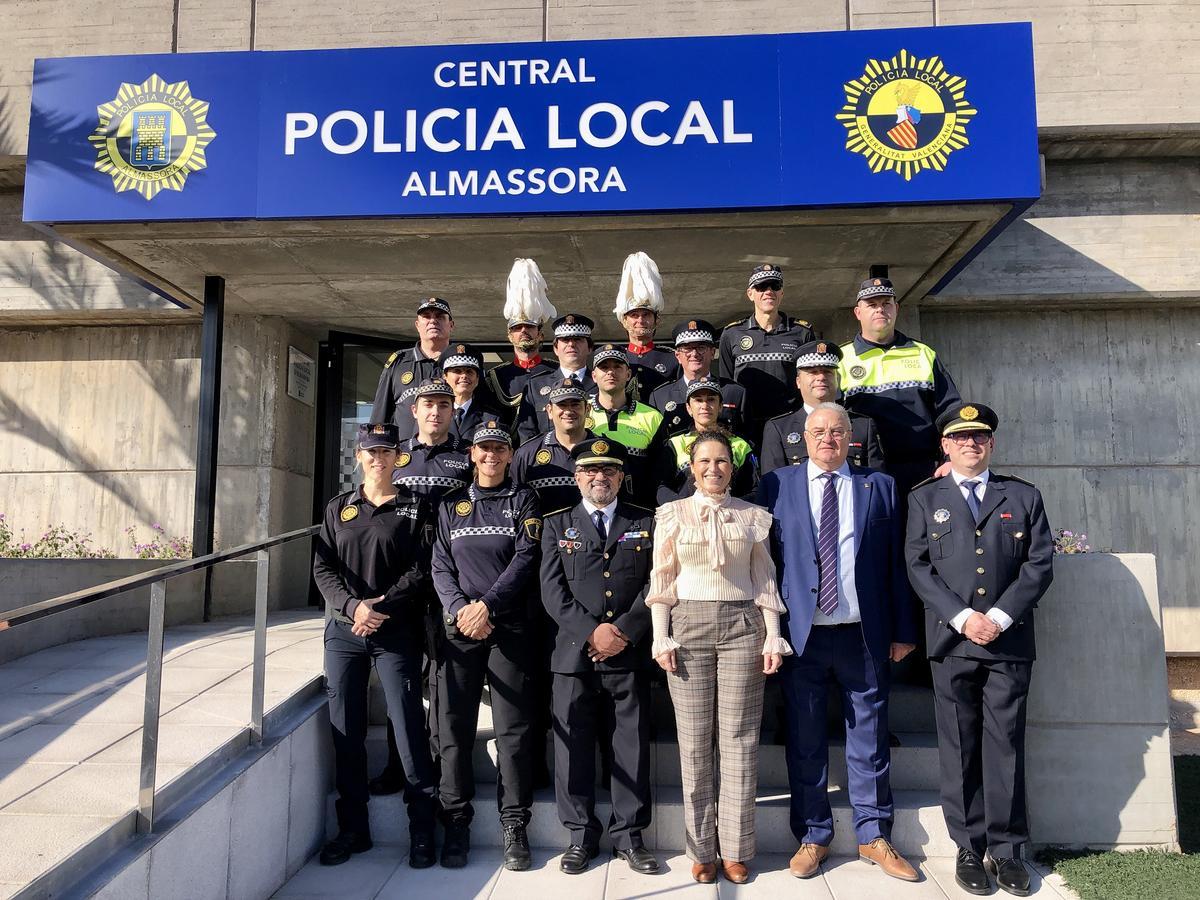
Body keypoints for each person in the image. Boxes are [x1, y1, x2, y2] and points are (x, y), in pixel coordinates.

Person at [758, 402, 919, 884]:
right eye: (818, 431)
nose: (828, 438)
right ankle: (813, 834)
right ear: (804, 438)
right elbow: (765, 563)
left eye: (837, 432)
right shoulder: (776, 485)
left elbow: (897, 564)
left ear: (851, 438)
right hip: (801, 636)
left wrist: (904, 630)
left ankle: (873, 833)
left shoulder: (880, 486)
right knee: (805, 739)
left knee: (869, 738)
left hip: (863, 634)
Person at [906, 403, 1053, 897]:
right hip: (953, 642)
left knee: (1005, 744)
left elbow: (1038, 564)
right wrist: (966, 617)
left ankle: (1008, 850)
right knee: (960, 746)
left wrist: (999, 617)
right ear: (945, 446)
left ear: (991, 444)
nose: (972, 443)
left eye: (980, 437)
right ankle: (969, 848)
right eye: (961, 437)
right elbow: (918, 566)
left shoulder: (1023, 495)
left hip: (1009, 641)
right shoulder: (925, 499)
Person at [647, 429, 790, 884]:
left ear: (733, 466)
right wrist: (660, 637)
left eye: (722, 461)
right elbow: (662, 580)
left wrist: (773, 636)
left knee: (739, 740)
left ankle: (735, 847)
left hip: (742, 628)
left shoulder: (753, 517)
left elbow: (765, 579)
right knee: (693, 743)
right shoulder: (671, 514)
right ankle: (701, 849)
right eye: (704, 461)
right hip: (687, 627)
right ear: (692, 467)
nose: (714, 469)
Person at [312, 423, 439, 869]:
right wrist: (352, 607)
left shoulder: (415, 507)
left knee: (407, 727)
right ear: (359, 458)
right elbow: (323, 568)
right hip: (345, 632)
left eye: (387, 452)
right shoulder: (338, 508)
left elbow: (424, 568)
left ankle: (423, 830)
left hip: (396, 630)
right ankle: (353, 831)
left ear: (397, 458)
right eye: (371, 452)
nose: (379, 459)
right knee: (346, 732)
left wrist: (381, 605)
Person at [540, 437, 658, 875]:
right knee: (572, 748)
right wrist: (593, 632)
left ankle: (629, 836)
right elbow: (552, 591)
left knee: (630, 747)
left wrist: (623, 631)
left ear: (621, 477)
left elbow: (656, 584)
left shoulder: (646, 520)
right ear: (577, 477)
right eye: (590, 470)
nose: (599, 477)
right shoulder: (556, 524)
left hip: (628, 654)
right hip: (573, 657)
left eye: (608, 470)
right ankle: (580, 836)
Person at [431, 420, 543, 871]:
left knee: (513, 733)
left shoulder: (524, 500)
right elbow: (440, 564)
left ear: (510, 454)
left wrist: (487, 608)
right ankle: (456, 822)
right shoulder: (450, 505)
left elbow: (525, 559)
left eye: (500, 448)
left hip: (509, 630)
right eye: (484, 449)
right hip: (460, 631)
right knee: (454, 730)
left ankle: (514, 825)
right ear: (473, 455)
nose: (492, 455)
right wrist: (461, 608)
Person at [369, 376, 472, 798]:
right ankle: (401, 764)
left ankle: (442, 768)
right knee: (404, 682)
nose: (435, 411)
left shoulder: (466, 457)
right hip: (404, 586)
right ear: (413, 410)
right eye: (428, 404)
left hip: (449, 585)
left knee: (443, 684)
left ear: (453, 411)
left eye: (444, 405)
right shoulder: (398, 458)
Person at [510, 376, 594, 789]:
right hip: (541, 576)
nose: (568, 410)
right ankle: (542, 761)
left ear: (585, 408)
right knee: (541, 671)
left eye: (575, 404)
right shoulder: (529, 455)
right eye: (561, 405)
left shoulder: (600, 451)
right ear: (549, 410)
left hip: (591, 579)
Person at [838, 277, 961, 504]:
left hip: (922, 470)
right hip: (862, 471)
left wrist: (951, 458)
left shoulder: (924, 354)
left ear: (896, 308)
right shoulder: (841, 359)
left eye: (886, 303)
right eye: (872, 304)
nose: (880, 310)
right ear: (858, 312)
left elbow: (951, 412)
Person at [718, 264, 816, 445]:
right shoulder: (732, 334)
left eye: (775, 286)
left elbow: (812, 380)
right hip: (745, 425)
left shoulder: (802, 332)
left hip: (789, 424)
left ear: (781, 293)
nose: (768, 292)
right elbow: (726, 384)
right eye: (762, 287)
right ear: (750, 294)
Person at [760, 340, 884, 475]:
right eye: (812, 372)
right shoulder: (779, 429)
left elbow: (876, 481)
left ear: (837, 379)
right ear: (798, 382)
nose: (821, 377)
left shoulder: (863, 426)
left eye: (827, 372)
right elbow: (773, 484)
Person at [584, 344, 666, 508]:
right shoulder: (580, 412)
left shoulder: (652, 416)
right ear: (594, 375)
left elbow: (660, 472)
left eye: (617, 367)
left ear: (628, 374)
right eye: (604, 367)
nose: (610, 372)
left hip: (638, 509)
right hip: (590, 508)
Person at [656, 377, 757, 504]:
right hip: (687, 518)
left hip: (730, 517)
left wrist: (730, 506)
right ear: (688, 408)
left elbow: (754, 489)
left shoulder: (740, 445)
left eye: (711, 400)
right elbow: (661, 487)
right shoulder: (675, 444)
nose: (705, 406)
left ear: (720, 406)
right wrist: (685, 508)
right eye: (698, 400)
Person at [371, 297, 455, 441]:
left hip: (453, 457)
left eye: (440, 317)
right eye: (426, 316)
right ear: (417, 325)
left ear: (451, 325)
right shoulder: (398, 363)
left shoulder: (463, 365)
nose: (433, 321)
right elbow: (380, 416)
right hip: (405, 458)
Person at [486, 258, 557, 423]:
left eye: (530, 327)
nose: (523, 330)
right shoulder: (496, 376)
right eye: (517, 328)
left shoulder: (556, 371)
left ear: (540, 334)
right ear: (509, 336)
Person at [648, 319, 747, 437]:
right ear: (678, 356)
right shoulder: (660, 396)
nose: (694, 354)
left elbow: (747, 437)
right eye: (687, 348)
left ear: (712, 353)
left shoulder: (735, 392)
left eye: (701, 348)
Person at [515, 313, 596, 443]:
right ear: (555, 348)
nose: (571, 344)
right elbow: (526, 433)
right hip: (549, 460)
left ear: (590, 347)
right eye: (565, 340)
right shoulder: (535, 385)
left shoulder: (602, 384)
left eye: (578, 340)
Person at [613, 251, 679, 401]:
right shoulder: (615, 358)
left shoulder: (672, 358)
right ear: (624, 321)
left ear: (657, 320)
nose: (640, 320)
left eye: (646, 315)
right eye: (634, 315)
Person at [439, 342, 505, 445]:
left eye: (469, 372)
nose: (464, 376)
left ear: (477, 378)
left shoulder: (491, 417)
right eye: (457, 371)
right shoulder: (435, 413)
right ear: (445, 377)